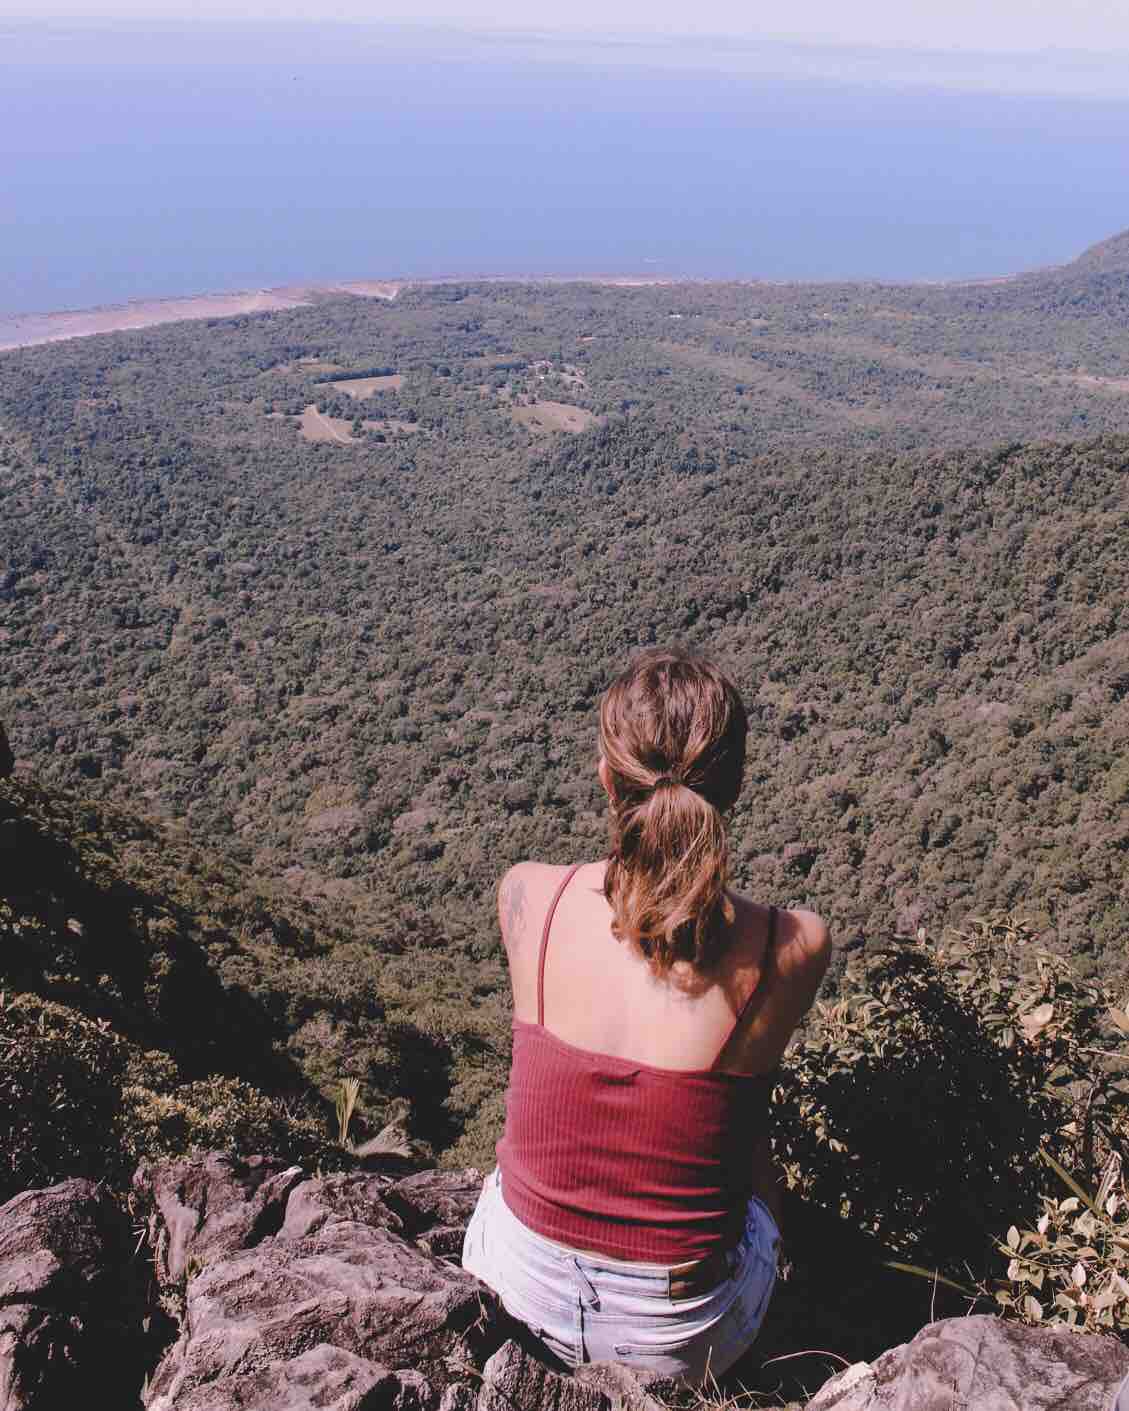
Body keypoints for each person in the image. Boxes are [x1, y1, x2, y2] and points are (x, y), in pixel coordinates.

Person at [462, 648, 831, 1383]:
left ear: (606, 775)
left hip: (512, 1288)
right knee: (755, 1161)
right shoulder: (792, 944)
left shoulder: (528, 897)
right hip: (682, 1340)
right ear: (733, 785)